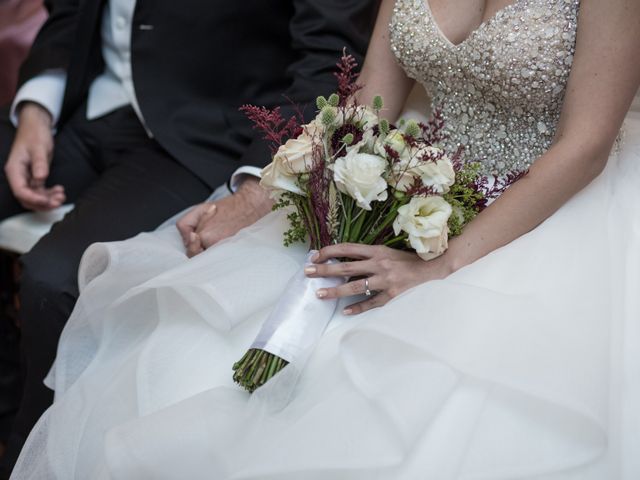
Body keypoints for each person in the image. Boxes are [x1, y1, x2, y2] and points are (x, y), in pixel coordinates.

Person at [8, 0, 640, 478]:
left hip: (546, 216)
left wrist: (440, 267)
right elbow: (365, 107)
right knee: (211, 359)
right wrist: (263, 191)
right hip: (415, 182)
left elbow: (583, 148)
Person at [0, 0, 377, 476]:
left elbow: (329, 58)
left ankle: (33, 462)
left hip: (202, 132)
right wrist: (37, 105)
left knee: (55, 277)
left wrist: (260, 184)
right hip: (83, 104)